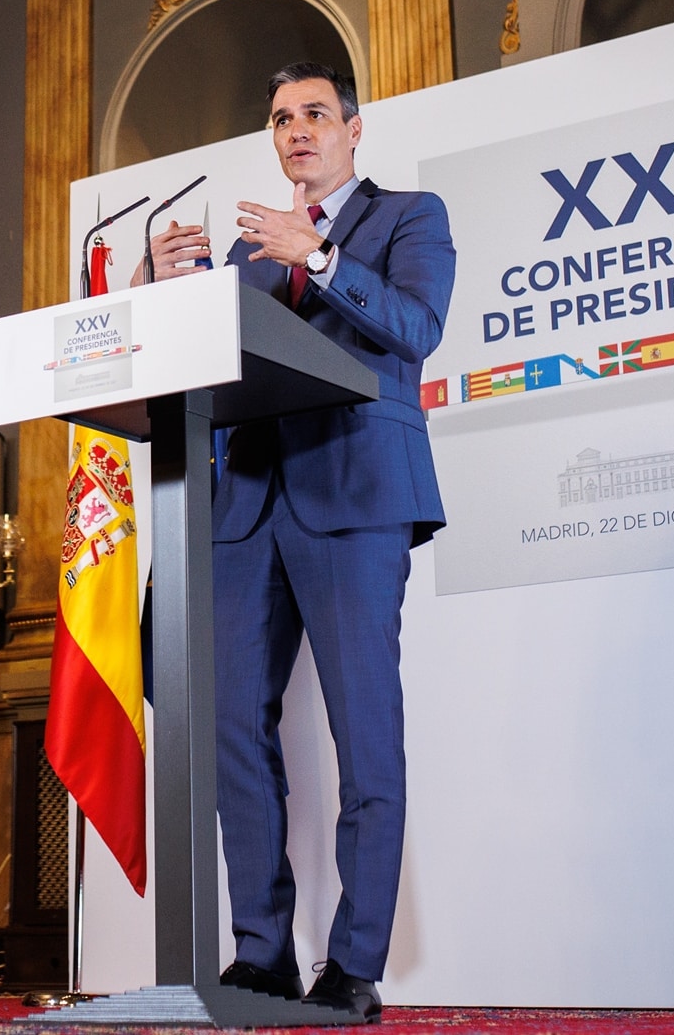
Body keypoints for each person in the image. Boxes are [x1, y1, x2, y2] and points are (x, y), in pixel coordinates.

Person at [135, 62, 454, 1023]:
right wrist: (157, 289)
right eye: (281, 119)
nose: (297, 131)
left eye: (316, 113)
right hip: (245, 504)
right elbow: (193, 360)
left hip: (353, 496)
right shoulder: (245, 252)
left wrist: (317, 256)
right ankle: (263, 951)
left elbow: (416, 327)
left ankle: (354, 962)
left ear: (354, 129)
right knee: (232, 723)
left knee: (365, 728)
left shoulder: (409, 217)